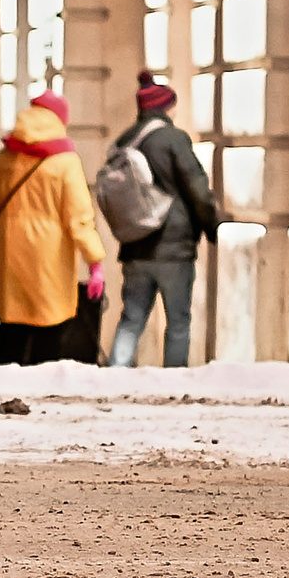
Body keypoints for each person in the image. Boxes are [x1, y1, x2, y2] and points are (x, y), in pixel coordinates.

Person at [0, 90, 107, 365]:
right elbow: (79, 218)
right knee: (49, 331)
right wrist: (95, 262)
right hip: (50, 259)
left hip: (10, 254)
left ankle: (6, 386)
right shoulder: (65, 162)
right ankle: (43, 389)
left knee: (11, 331)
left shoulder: (5, 158)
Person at [107, 71, 220, 367]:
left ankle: (114, 374)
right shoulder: (173, 139)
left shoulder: (126, 141)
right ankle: (174, 379)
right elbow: (196, 186)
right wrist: (212, 226)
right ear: (166, 107)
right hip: (174, 246)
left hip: (136, 244)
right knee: (179, 321)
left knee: (131, 318)